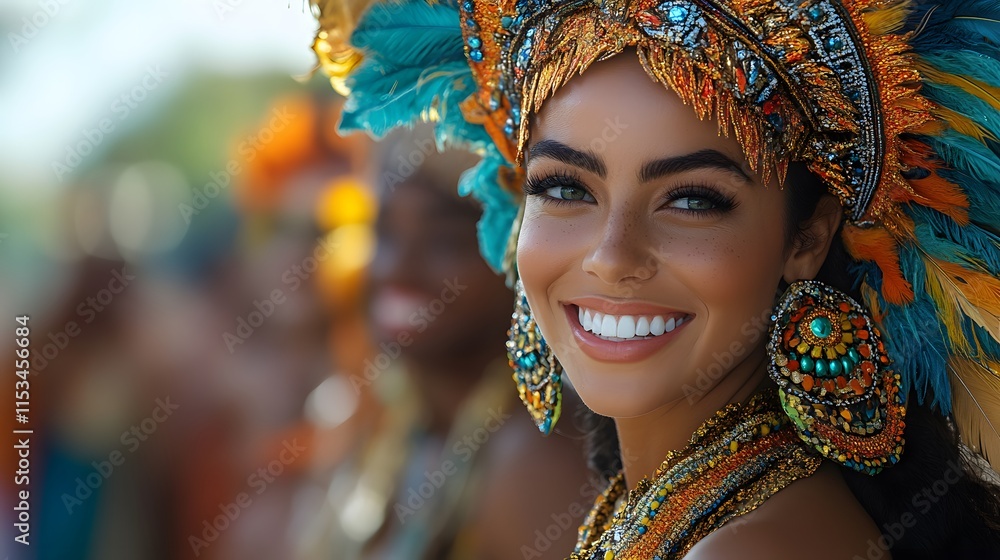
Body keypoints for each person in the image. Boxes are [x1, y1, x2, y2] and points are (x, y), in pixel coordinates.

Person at [309, 0, 1000, 558]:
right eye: (564, 188)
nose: (612, 257)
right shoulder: (698, 512)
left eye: (692, 200)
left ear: (807, 237)